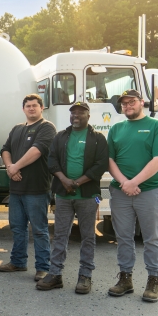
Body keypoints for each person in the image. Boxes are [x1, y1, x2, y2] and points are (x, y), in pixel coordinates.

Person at [107, 89, 158, 303]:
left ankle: (153, 280)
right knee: (123, 237)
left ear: (141, 102)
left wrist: (134, 182)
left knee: (151, 237)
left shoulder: (156, 126)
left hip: (150, 190)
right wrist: (125, 183)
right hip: (121, 191)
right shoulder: (116, 129)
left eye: (131, 102)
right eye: (124, 103)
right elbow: (110, 161)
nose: (127, 106)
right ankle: (125, 278)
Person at [36, 102, 108, 293]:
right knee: (60, 235)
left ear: (88, 116)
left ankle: (85, 276)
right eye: (73, 113)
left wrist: (77, 183)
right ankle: (55, 274)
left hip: (88, 195)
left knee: (88, 236)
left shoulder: (98, 138)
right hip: (63, 194)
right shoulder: (61, 136)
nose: (76, 116)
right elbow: (52, 160)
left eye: (80, 113)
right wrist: (64, 180)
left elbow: (101, 165)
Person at [0, 94, 56, 281]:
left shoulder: (47, 127)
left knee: (39, 229)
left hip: (37, 189)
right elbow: (5, 150)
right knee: (17, 228)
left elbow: (37, 150)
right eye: (28, 106)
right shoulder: (17, 129)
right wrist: (9, 167)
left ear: (41, 108)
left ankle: (43, 267)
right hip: (16, 189)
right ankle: (18, 262)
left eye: (34, 105)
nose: (31, 108)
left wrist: (16, 166)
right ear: (23, 109)